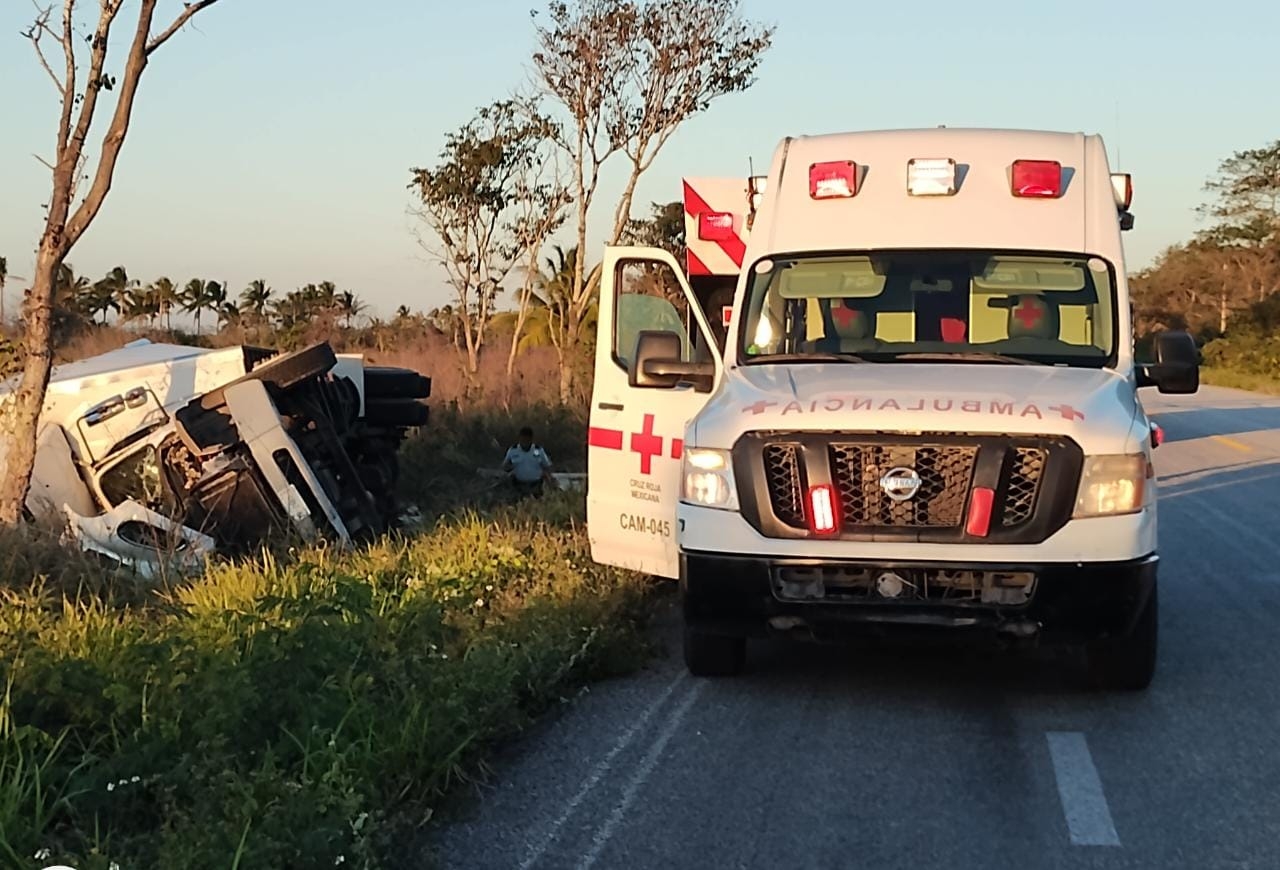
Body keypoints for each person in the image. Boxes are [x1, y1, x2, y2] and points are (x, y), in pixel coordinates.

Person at [502, 427, 556, 498]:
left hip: (536, 485)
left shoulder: (539, 450)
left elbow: (548, 466)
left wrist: (549, 477)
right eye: (522, 440)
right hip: (519, 485)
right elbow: (504, 466)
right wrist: (510, 467)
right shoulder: (513, 450)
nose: (524, 443)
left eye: (526, 440)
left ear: (531, 440)